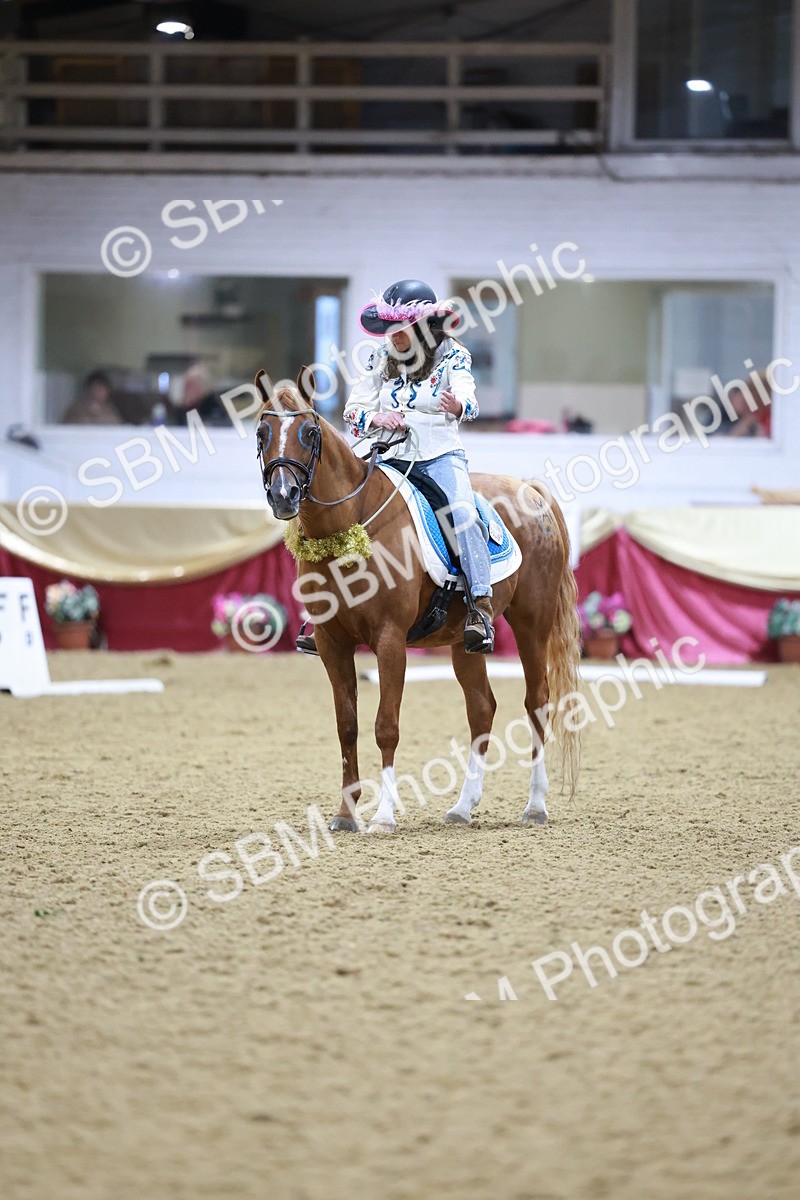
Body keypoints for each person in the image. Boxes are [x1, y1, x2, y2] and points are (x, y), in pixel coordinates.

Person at [343, 278, 494, 653]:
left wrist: (458, 406)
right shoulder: (380, 356)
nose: (394, 335)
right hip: (388, 456)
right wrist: (376, 418)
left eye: (403, 327)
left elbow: (469, 399)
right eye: (390, 327)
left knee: (463, 514)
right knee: (342, 508)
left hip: (439, 455)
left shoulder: (453, 354)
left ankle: (479, 606)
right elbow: (354, 409)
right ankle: (328, 614)